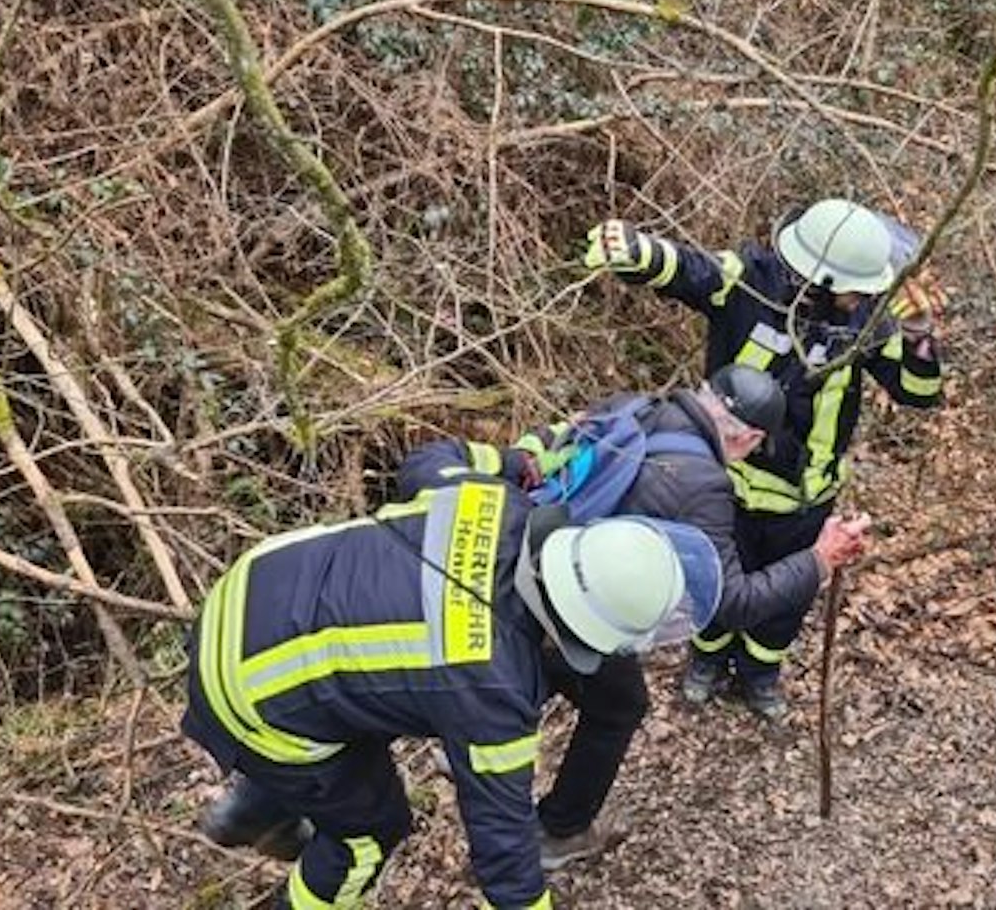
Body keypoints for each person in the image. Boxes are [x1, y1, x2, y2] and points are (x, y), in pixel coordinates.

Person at [183, 455, 721, 910]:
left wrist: (509, 461)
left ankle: (257, 808)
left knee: (364, 699)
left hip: (254, 587)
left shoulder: (499, 502)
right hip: (248, 692)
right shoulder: (491, 693)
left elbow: (424, 461)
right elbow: (504, 848)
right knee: (368, 834)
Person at [410, 364, 869, 870]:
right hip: (568, 604)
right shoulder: (704, 487)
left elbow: (551, 441)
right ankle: (560, 831)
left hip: (511, 561)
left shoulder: (633, 405)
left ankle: (467, 747)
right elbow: (732, 602)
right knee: (619, 704)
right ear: (751, 438)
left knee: (517, 676)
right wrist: (820, 559)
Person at [581, 198, 945, 720]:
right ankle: (706, 660)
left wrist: (918, 333)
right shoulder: (752, 281)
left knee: (785, 600)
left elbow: (918, 392)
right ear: (816, 278)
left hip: (805, 495)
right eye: (853, 287)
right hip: (726, 486)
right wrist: (639, 253)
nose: (862, 295)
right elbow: (694, 269)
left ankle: (760, 674)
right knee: (711, 583)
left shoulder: (868, 318)